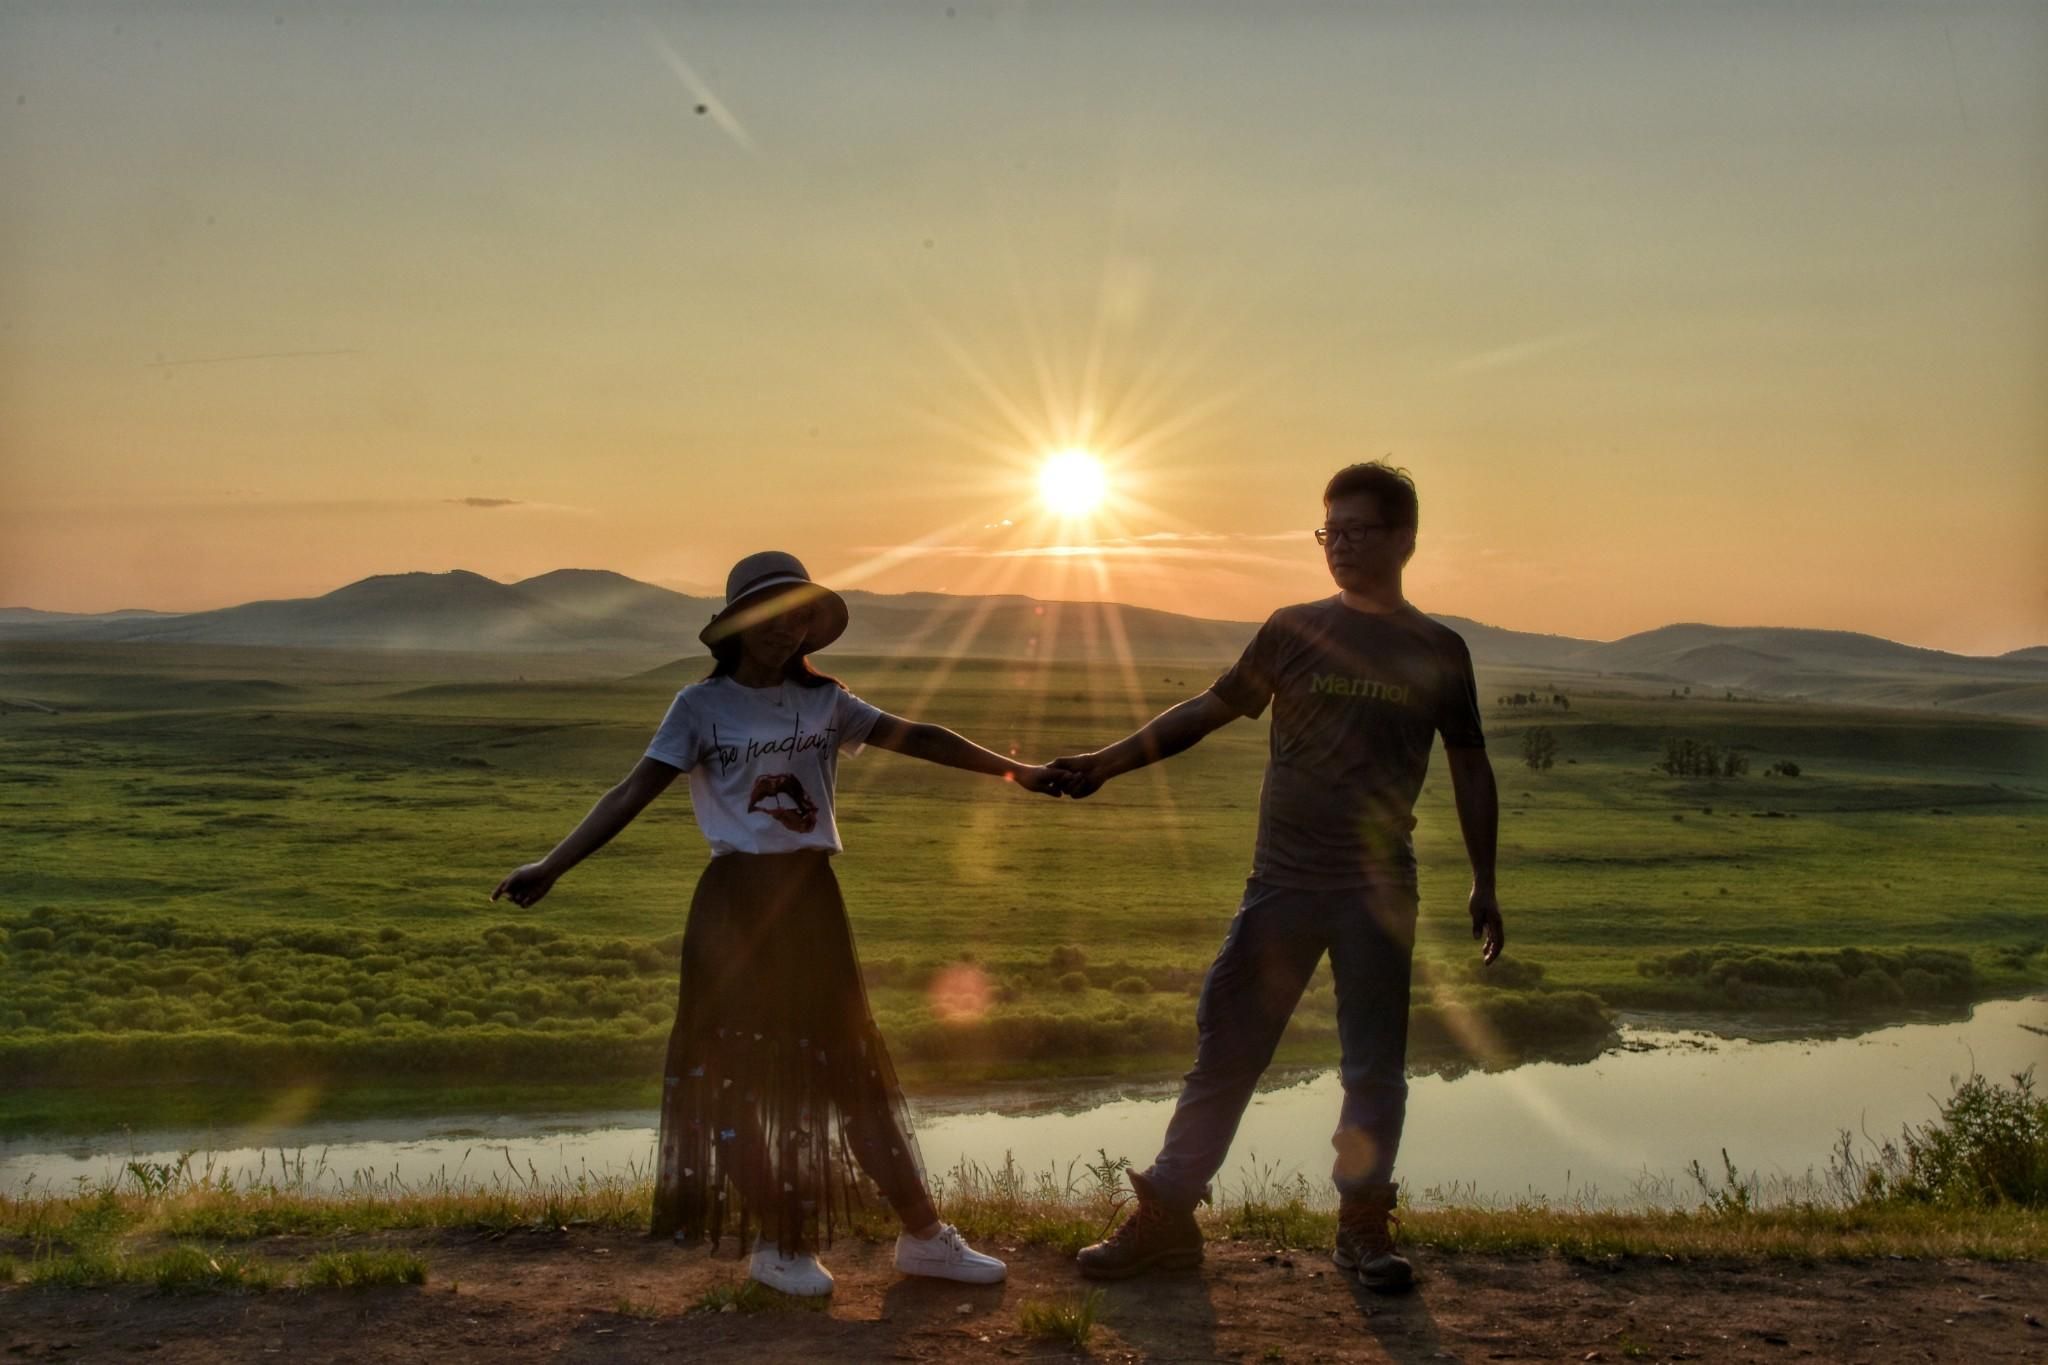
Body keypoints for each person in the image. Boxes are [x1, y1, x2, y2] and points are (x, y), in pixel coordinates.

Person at [492, 551, 1066, 1297]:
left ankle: (925, 1235)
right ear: (737, 626)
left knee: (849, 1069)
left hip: (811, 905)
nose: (783, 629)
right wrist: (553, 863)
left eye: (797, 615)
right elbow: (632, 789)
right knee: (736, 1081)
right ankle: (777, 1242)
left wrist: (1017, 771)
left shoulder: (828, 702)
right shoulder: (699, 707)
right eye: (768, 616)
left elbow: (919, 735)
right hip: (733, 908)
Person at [1052, 461, 1503, 1292]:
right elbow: (1206, 709)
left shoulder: (1438, 649)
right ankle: (1166, 1219)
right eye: (1330, 530)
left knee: (1374, 1064)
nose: (1340, 545)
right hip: (1281, 886)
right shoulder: (1292, 630)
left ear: (1405, 538)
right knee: (1228, 1050)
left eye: (1358, 530)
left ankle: (1363, 1229)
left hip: (1378, 891)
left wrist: (1485, 881)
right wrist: (1107, 763)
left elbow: (1471, 767)